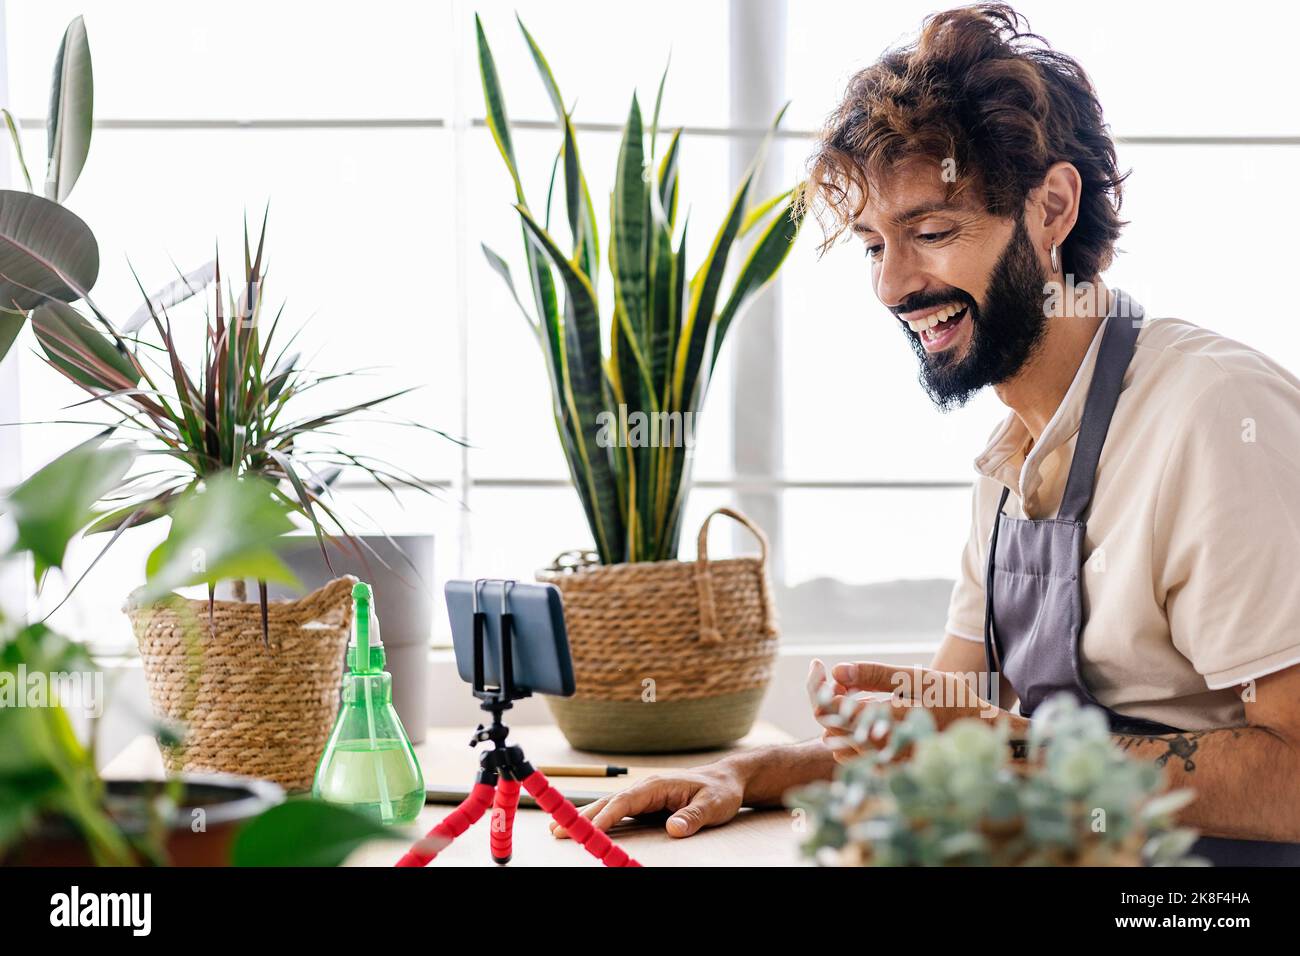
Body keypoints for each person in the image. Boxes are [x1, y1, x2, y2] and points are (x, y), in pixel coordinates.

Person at [554, 4, 1300, 864]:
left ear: (1052, 208)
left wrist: (1014, 744)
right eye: (874, 245)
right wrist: (754, 773)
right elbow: (946, 726)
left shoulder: (1210, 417)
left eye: (933, 232)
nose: (893, 285)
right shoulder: (1013, 454)